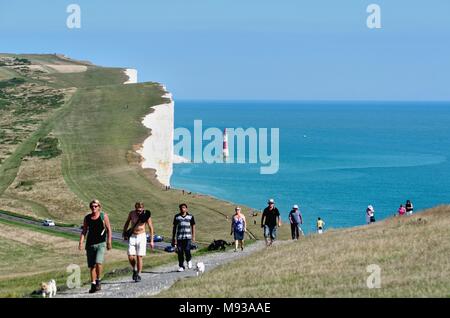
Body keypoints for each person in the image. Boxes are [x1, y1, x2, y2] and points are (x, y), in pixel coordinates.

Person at [78, 199, 112, 294]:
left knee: (98, 262)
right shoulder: (87, 218)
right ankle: (93, 284)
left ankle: (98, 280)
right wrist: (81, 242)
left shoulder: (103, 216)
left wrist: (109, 241)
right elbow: (84, 231)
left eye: (96, 206)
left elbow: (109, 230)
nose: (94, 208)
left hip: (101, 243)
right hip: (90, 244)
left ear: (99, 207)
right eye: (92, 206)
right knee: (92, 266)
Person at [122, 202, 154, 282]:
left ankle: (138, 274)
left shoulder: (146, 215)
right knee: (130, 255)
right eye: (137, 210)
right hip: (132, 236)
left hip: (141, 236)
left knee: (139, 256)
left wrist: (152, 240)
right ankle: (134, 269)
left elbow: (150, 227)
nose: (138, 212)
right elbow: (127, 222)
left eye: (140, 210)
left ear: (143, 209)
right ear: (135, 209)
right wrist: (124, 231)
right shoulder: (132, 213)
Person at [172, 203, 196, 272]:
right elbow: (174, 228)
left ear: (186, 209)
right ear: (180, 209)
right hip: (179, 238)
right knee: (180, 252)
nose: (183, 209)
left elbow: (193, 226)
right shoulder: (177, 217)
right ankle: (181, 266)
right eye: (181, 208)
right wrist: (173, 238)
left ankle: (189, 260)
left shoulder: (190, 217)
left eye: (184, 207)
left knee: (187, 250)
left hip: (188, 237)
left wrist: (193, 236)